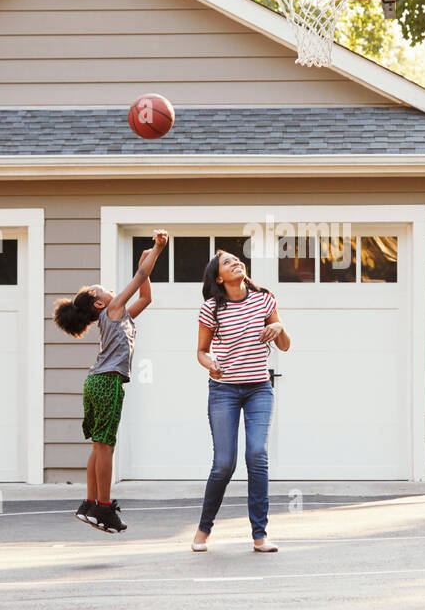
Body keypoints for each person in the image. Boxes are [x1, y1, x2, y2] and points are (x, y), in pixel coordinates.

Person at [53, 229, 168, 533]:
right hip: (106, 383)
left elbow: (146, 295)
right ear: (100, 303)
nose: (107, 290)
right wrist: (156, 250)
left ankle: (90, 504)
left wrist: (147, 259)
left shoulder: (120, 315)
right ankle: (103, 507)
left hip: (96, 382)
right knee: (106, 447)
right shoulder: (114, 309)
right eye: (100, 289)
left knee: (98, 445)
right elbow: (140, 275)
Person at [192, 249, 291, 553]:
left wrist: (279, 328)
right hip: (224, 391)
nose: (236, 262)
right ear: (219, 277)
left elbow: (284, 346)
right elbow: (201, 351)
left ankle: (260, 535)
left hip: (259, 388)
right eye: (227, 262)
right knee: (224, 463)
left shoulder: (264, 299)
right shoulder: (211, 308)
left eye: (237, 259)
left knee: (257, 455)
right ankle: (203, 529)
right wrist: (210, 363)